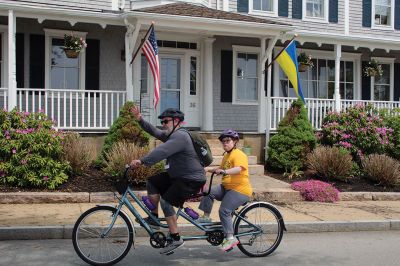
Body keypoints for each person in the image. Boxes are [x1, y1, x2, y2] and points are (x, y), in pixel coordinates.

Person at [129, 106, 206, 255]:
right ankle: (154, 217)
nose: (163, 124)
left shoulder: (181, 136)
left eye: (166, 121)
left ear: (176, 121)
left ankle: (176, 238)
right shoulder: (172, 134)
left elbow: (162, 151)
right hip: (178, 176)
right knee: (152, 181)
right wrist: (140, 120)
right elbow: (155, 132)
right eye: (162, 121)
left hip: (191, 179)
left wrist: (141, 161)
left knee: (166, 201)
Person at [198, 129, 252, 252]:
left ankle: (230, 237)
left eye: (228, 141)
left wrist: (225, 172)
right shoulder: (227, 155)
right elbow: (221, 168)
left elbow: (239, 168)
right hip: (226, 187)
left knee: (224, 210)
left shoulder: (239, 154)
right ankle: (206, 216)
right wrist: (207, 169)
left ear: (235, 141)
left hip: (239, 190)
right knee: (208, 191)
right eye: (223, 142)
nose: (225, 143)